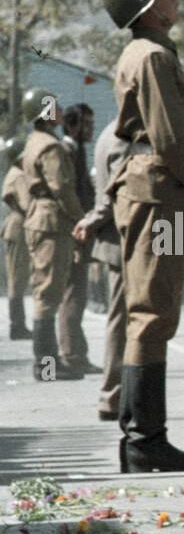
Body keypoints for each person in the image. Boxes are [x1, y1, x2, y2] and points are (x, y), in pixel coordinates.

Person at [99, 0, 184, 470]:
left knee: (152, 311)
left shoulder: (149, 54)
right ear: (146, 7)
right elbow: (170, 139)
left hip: (153, 188)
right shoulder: (152, 58)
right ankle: (144, 441)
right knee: (152, 312)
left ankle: (143, 438)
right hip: (159, 191)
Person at [20, 87, 84, 382]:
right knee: (48, 295)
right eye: (54, 106)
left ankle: (48, 364)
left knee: (45, 293)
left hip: (39, 218)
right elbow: (61, 187)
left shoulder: (34, 142)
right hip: (51, 221)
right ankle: (46, 367)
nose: (59, 110)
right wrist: (80, 219)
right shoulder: (50, 146)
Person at [74, 123, 130, 421]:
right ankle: (113, 395)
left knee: (121, 320)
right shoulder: (124, 137)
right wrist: (91, 219)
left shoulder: (108, 133)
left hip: (116, 240)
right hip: (123, 240)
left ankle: (117, 394)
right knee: (121, 323)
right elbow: (114, 198)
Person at [59, 104, 99, 375]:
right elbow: (68, 194)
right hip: (73, 232)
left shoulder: (77, 151)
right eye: (85, 123)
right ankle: (72, 356)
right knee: (73, 295)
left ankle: (77, 353)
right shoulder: (67, 152)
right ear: (71, 125)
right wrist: (81, 223)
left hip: (78, 231)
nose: (91, 129)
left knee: (77, 295)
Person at [2, 135, 32, 341]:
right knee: (17, 278)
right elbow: (27, 203)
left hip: (16, 226)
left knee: (17, 277)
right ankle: (17, 325)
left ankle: (18, 324)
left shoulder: (15, 173)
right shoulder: (19, 175)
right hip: (19, 227)